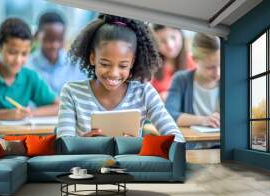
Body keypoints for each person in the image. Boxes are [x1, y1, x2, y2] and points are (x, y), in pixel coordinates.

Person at [56, 14, 184, 142]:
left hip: (129, 162)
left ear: (132, 63)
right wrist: (83, 143)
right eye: (105, 64)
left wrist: (138, 145)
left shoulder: (144, 93)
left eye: (123, 65)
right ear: (93, 58)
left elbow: (176, 138)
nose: (113, 73)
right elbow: (63, 145)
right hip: (85, 162)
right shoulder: (72, 93)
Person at [0, 18, 59, 120]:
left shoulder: (30, 77)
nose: (18, 60)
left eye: (24, 54)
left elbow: (58, 106)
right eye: (12, 52)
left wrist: (29, 113)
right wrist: (2, 115)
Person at [165, 33, 220, 149]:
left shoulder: (228, 81)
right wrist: (204, 120)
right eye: (210, 67)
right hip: (191, 150)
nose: (217, 73)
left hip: (222, 149)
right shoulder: (181, 80)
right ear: (194, 59)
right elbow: (169, 114)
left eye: (221, 65)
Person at [27, 12, 86, 94]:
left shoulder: (76, 65)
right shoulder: (27, 64)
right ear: (37, 35)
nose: (55, 45)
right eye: (49, 39)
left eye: (60, 39)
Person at [150, 25, 196, 101]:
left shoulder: (193, 61)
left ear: (181, 35)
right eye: (162, 41)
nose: (170, 45)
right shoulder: (152, 65)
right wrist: (159, 97)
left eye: (173, 37)